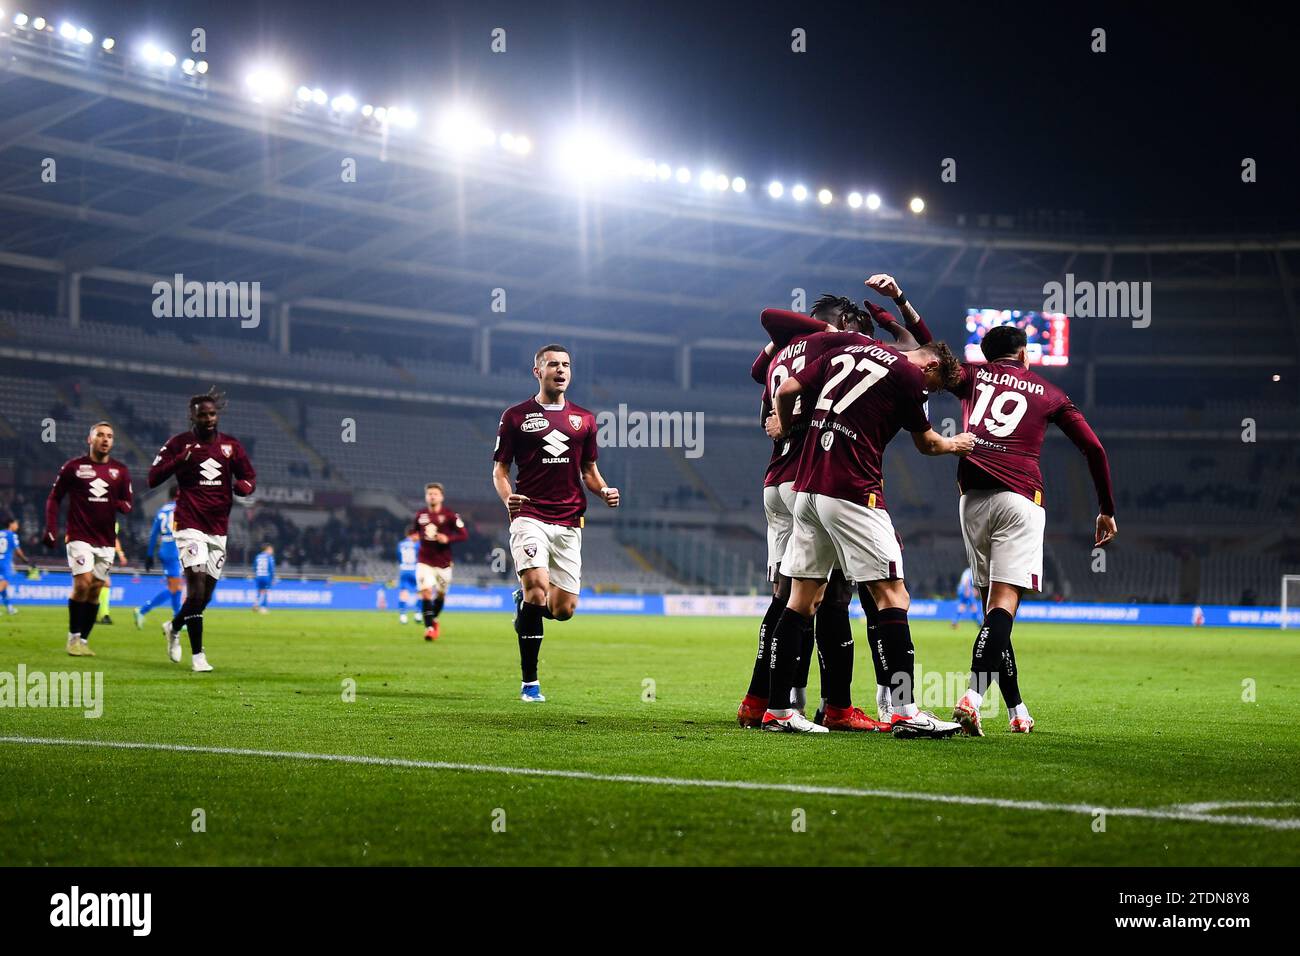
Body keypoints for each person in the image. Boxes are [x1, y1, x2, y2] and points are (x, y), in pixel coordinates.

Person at [767, 333, 973, 737]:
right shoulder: (910, 376)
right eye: (932, 388)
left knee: (801, 600)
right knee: (893, 595)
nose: (926, 393)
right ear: (929, 366)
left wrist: (790, 430)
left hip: (806, 489)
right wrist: (955, 444)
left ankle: (778, 710)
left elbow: (788, 388)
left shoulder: (846, 349)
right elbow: (927, 444)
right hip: (852, 491)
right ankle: (905, 710)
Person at [949, 325, 1116, 735]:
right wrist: (1106, 509)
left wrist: (903, 305)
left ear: (988, 355)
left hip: (970, 498)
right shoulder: (1049, 392)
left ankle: (1016, 708)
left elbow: (932, 354)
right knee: (1004, 606)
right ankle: (972, 696)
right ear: (1024, 355)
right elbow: (1093, 448)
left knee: (993, 613)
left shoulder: (972, 376)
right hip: (1020, 496)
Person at [492, 344, 619, 702]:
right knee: (537, 588)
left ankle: (525, 605)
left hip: (569, 520)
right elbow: (500, 471)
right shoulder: (515, 416)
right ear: (538, 372)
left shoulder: (585, 420)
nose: (560, 370)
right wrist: (507, 498)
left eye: (566, 365)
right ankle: (530, 683)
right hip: (529, 513)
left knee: (563, 610)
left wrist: (604, 490)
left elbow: (589, 471)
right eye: (552, 364)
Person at [148, 389, 256, 672]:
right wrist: (178, 460)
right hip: (189, 523)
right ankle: (198, 656)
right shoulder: (178, 443)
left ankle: (173, 626)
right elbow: (152, 478)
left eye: (212, 413)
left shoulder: (231, 446)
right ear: (192, 416)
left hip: (218, 527)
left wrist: (244, 487)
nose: (208, 418)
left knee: (204, 597)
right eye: (202, 414)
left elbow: (249, 476)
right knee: (194, 589)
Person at [44, 422, 133, 656]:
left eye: (110, 436)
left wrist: (122, 505)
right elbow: (54, 498)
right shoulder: (74, 467)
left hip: (106, 541)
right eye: (100, 435)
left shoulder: (120, 471)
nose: (105, 439)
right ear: (90, 439)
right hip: (79, 536)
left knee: (95, 590)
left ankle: (83, 640)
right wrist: (51, 528)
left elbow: (127, 503)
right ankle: (72, 638)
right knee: (82, 583)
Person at [409, 483, 467, 640]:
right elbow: (413, 531)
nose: (432, 496)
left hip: (443, 562)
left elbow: (463, 534)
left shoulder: (449, 515)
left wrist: (448, 538)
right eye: (429, 494)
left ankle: (433, 620)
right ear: (426, 496)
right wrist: (413, 536)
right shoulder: (420, 515)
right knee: (426, 592)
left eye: (435, 493)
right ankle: (429, 628)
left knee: (440, 595)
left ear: (441, 496)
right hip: (424, 560)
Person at [135, 486, 184, 629]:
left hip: (164, 549)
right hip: (173, 551)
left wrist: (149, 555)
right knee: (174, 588)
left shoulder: (162, 511)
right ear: (178, 494)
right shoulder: (180, 509)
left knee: (177, 587)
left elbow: (153, 534)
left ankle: (178, 619)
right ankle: (142, 610)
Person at [0, 516, 32, 616]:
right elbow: (17, 550)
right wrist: (25, 559)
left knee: (2, 586)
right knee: (4, 584)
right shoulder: (12, 535)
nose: (17, 526)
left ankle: (9, 608)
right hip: (4, 563)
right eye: (16, 524)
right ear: (11, 524)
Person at [396, 531, 419, 625]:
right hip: (415, 570)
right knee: (421, 591)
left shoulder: (401, 544)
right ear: (412, 534)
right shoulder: (417, 544)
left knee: (403, 591)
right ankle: (418, 613)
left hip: (404, 570)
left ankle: (403, 616)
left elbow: (399, 557)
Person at [253, 544, 276, 614]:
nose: (272, 551)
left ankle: (257, 604)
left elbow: (254, 567)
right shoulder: (269, 557)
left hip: (258, 576)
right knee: (265, 591)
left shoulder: (258, 556)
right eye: (271, 550)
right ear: (268, 549)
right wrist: (272, 578)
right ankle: (263, 607)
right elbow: (271, 568)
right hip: (266, 576)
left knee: (260, 591)